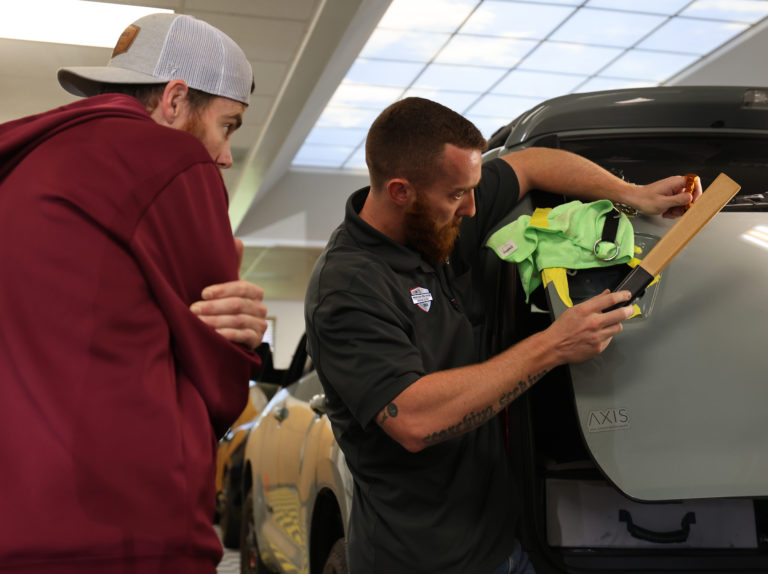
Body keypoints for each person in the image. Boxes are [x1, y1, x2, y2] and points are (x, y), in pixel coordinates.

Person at [304, 97, 702, 574]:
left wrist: (632, 194)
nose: (473, 208)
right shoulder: (348, 286)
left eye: (473, 189)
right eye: (457, 195)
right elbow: (413, 420)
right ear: (400, 191)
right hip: (425, 560)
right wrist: (554, 345)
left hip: (505, 542)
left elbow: (530, 165)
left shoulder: (439, 225)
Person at [0, 13, 268, 574]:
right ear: (174, 99)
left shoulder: (20, 166)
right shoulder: (174, 160)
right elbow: (221, 377)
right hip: (121, 525)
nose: (223, 156)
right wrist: (241, 334)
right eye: (229, 125)